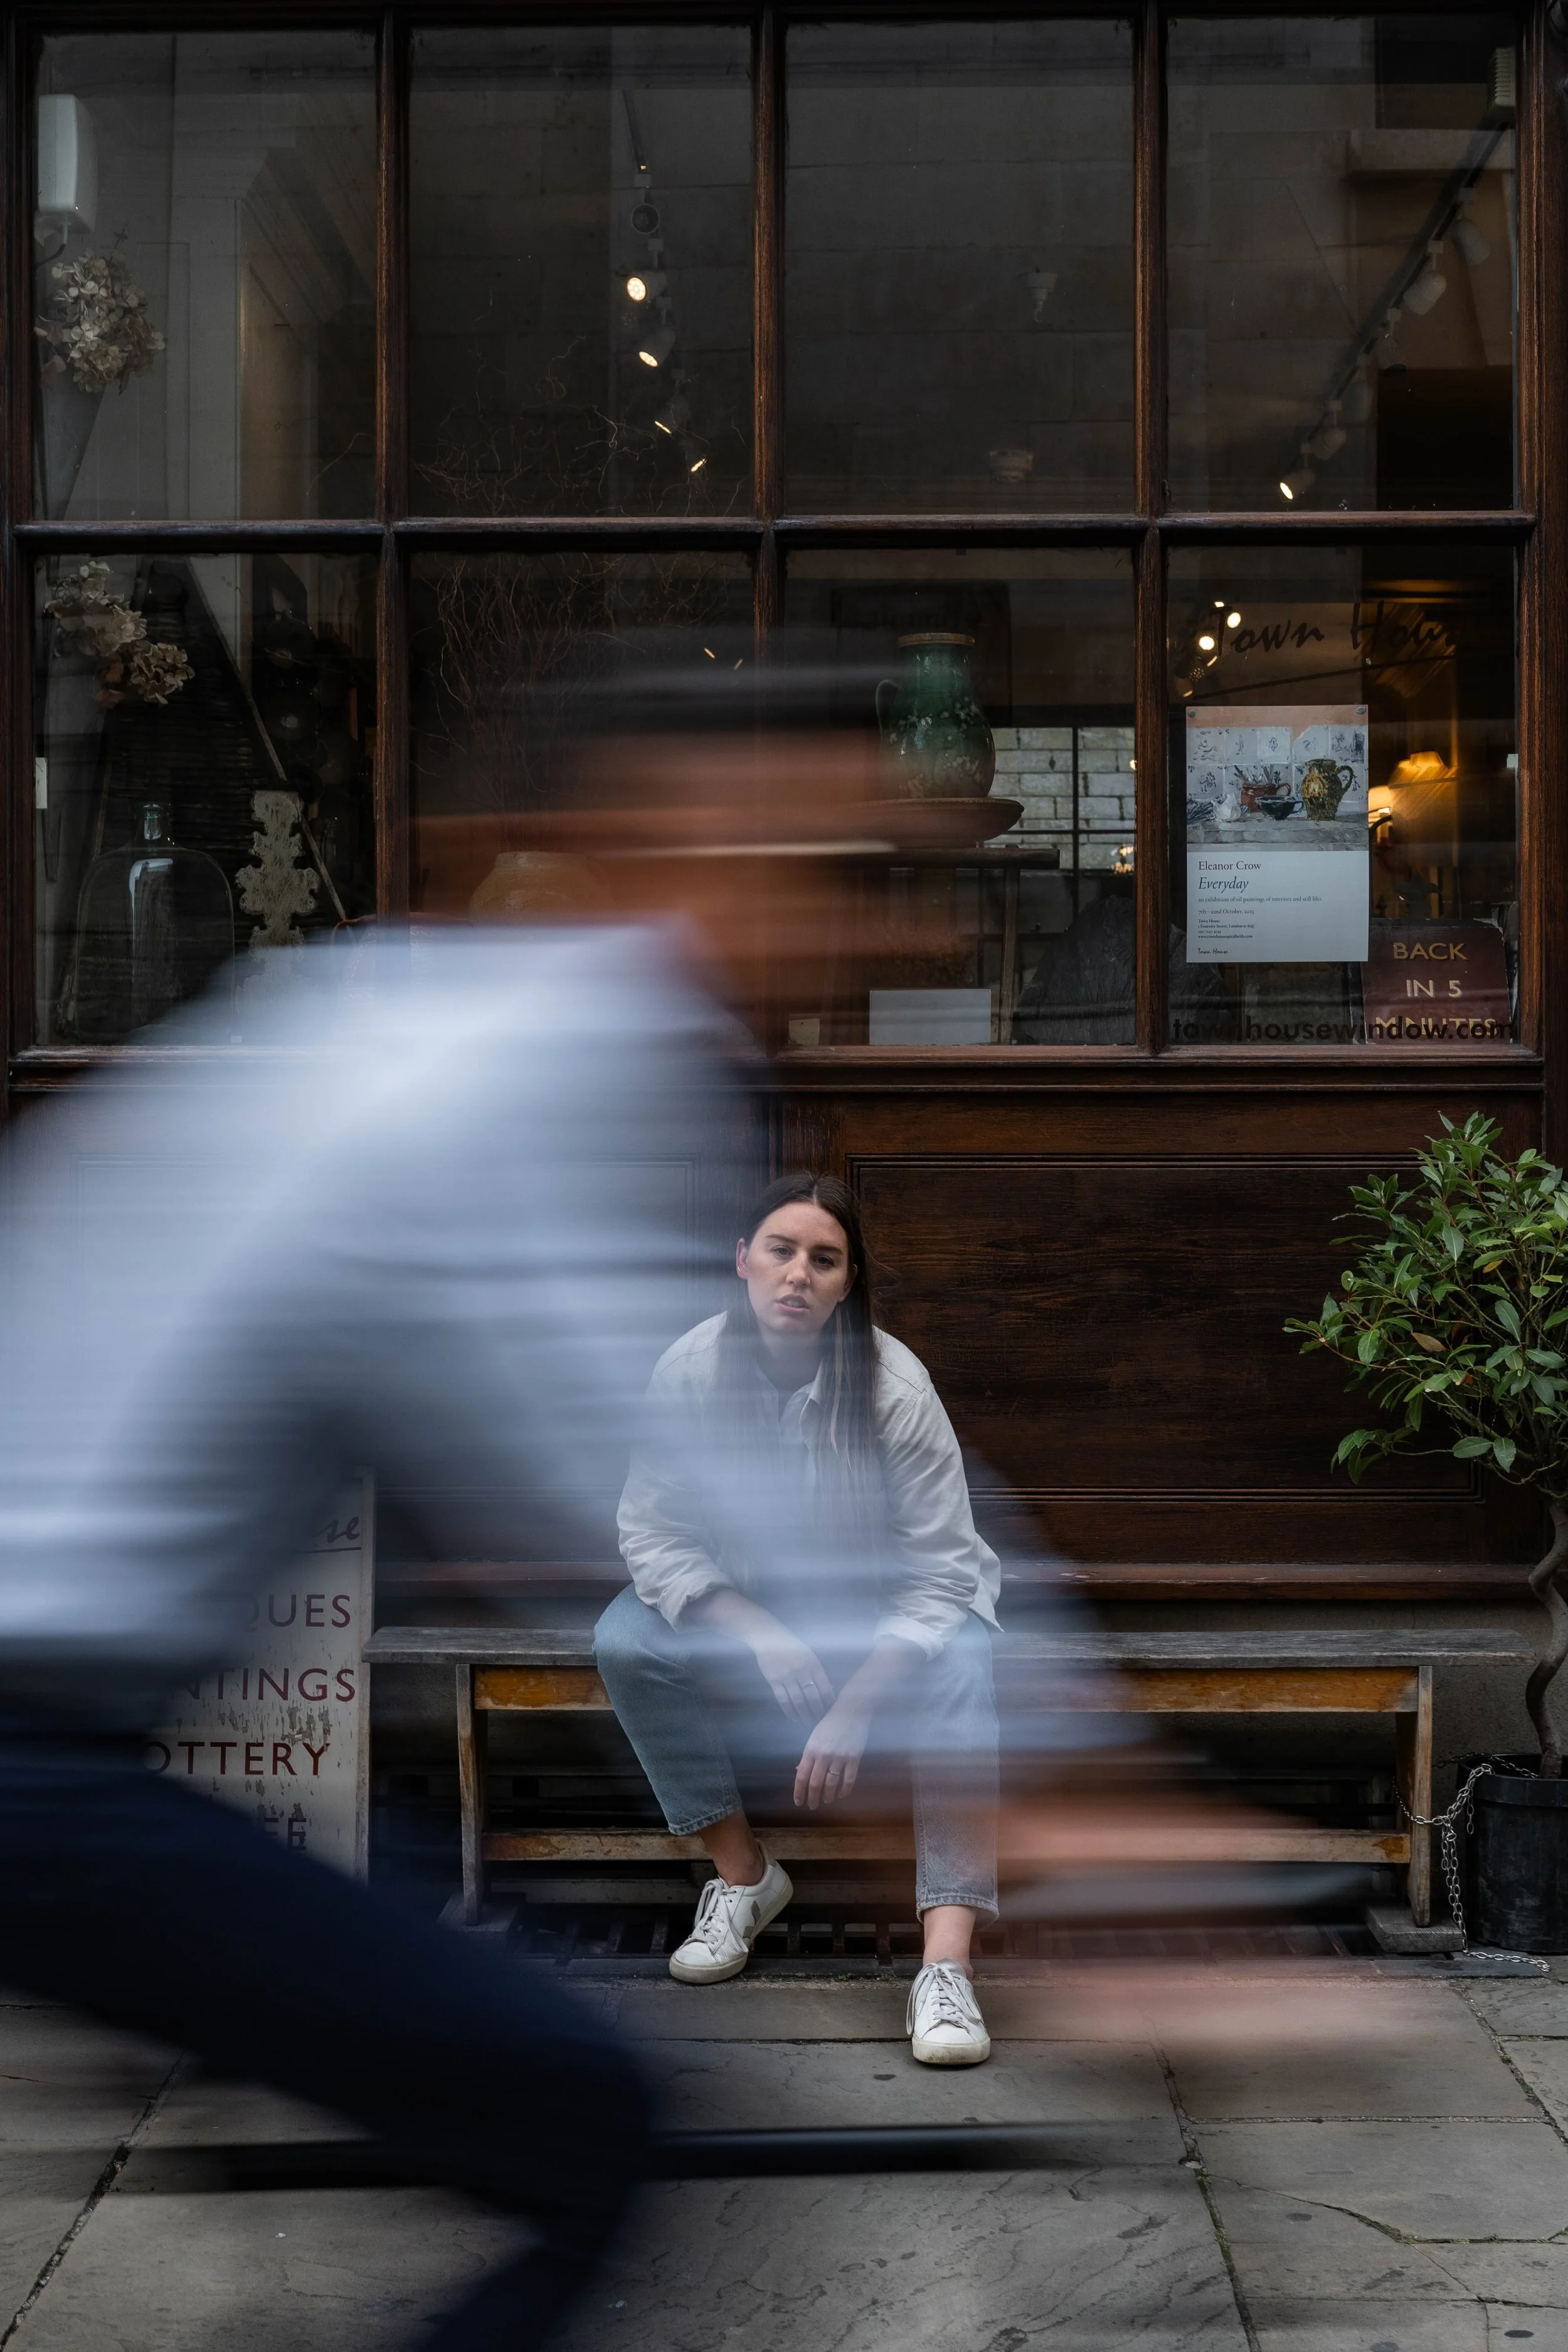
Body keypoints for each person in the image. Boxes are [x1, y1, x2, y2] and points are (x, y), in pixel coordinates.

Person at [0, 921, 748, 2352]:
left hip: (66, 1749)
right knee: (597, 2115)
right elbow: (588, 1445)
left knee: (426, 1915)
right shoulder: (471, 1089)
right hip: (38, 1774)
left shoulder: (310, 1055)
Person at [596, 1172, 1002, 2067]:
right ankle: (745, 1877)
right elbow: (652, 1533)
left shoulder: (896, 1390)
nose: (798, 1275)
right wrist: (754, 1626)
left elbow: (943, 1575)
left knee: (966, 1658)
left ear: (847, 1282)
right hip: (745, 1606)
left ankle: (946, 1966)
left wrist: (857, 1702)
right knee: (625, 1639)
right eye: (781, 1250)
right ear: (743, 1260)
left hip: (881, 1616)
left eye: (824, 1259)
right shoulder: (691, 1371)